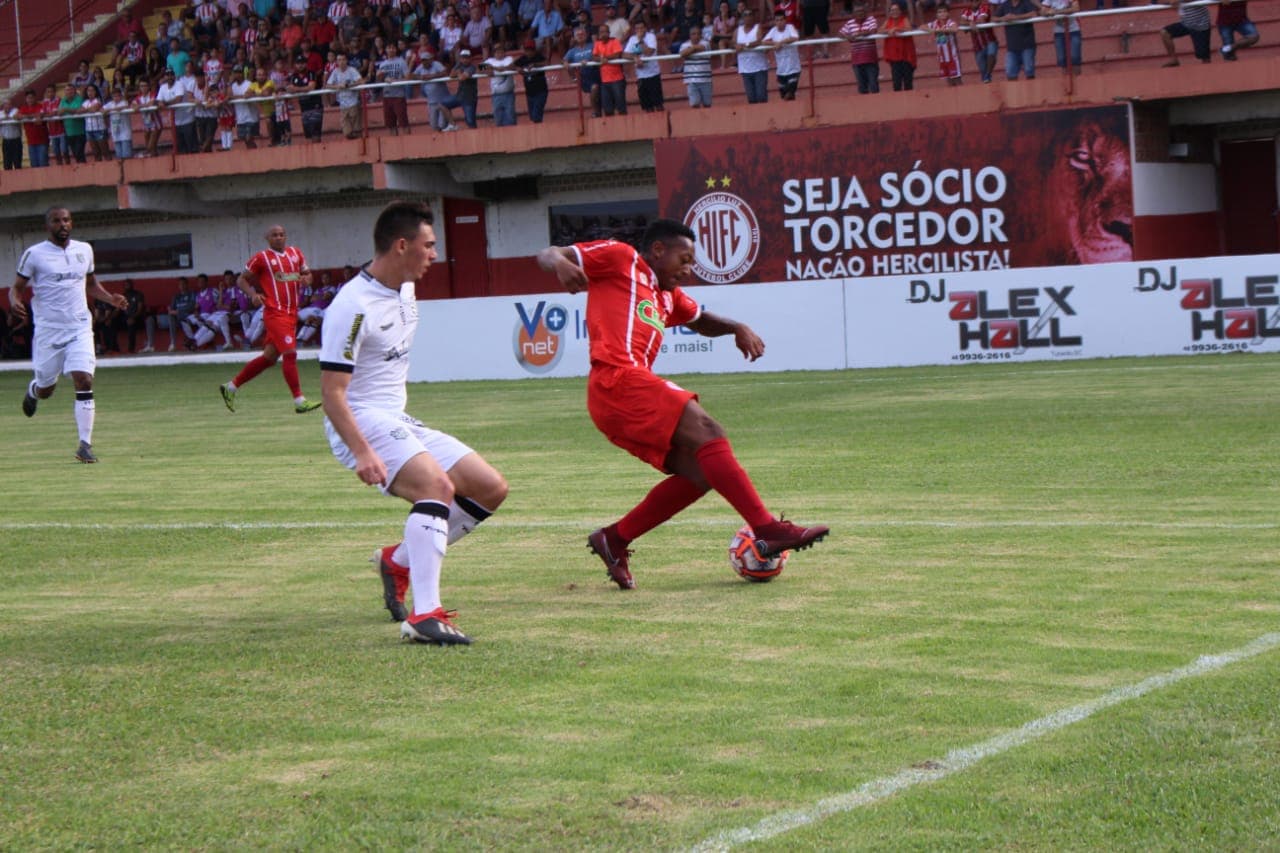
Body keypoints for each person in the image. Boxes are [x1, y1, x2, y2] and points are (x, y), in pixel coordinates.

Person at [536, 219, 829, 590]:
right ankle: (767, 529)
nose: (689, 269)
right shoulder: (622, 259)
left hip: (622, 394)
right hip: (615, 380)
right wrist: (561, 263)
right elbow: (548, 254)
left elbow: (701, 320)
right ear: (658, 250)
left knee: (701, 473)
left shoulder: (666, 295)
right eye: (685, 259)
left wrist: (736, 327)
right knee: (708, 431)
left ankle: (614, 538)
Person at [320, 201, 509, 643]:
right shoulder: (352, 306)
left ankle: (398, 561)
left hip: (393, 416)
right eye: (429, 245)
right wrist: (363, 451)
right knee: (437, 489)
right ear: (402, 245)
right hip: (359, 418)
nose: (434, 254)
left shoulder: (404, 289)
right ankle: (426, 616)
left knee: (489, 487)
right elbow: (332, 395)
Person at [11, 207, 127, 463]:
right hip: (48, 331)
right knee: (46, 389)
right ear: (48, 226)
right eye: (56, 221)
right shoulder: (34, 254)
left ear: (71, 223)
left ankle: (84, 445)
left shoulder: (84, 250)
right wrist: (14, 301)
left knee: (84, 380)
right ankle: (34, 390)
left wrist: (111, 299)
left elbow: (91, 285)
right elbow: (16, 288)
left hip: (79, 327)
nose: (62, 224)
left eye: (66, 220)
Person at [220, 224, 322, 413]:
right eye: (274, 235)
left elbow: (307, 275)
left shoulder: (296, 253)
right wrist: (253, 294)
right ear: (267, 238)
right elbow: (241, 280)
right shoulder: (262, 258)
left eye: (282, 234)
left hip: (291, 313)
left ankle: (230, 387)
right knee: (290, 353)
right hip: (275, 313)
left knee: (269, 358)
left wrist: (307, 279)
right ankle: (299, 400)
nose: (279, 237)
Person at [840, 0, 879, 94]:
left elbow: (873, 31)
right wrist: (848, 36)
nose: (860, 13)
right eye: (857, 12)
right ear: (853, 13)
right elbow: (840, 34)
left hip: (870, 59)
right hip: (857, 60)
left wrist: (858, 35)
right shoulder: (849, 23)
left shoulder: (871, 19)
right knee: (862, 87)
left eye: (862, 11)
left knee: (873, 85)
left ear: (865, 12)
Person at [992, 0, 1038, 79]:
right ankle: (1014, 91)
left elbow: (1034, 14)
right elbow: (993, 18)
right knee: (1010, 72)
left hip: (1027, 44)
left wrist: (1016, 17)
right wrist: (1003, 18)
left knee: (1029, 70)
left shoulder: (1026, 2)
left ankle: (1031, 90)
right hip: (1012, 47)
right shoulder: (1005, 5)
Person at [626, 19, 664, 112]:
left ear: (646, 28)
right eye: (637, 28)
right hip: (641, 77)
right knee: (647, 106)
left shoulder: (651, 36)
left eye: (641, 28)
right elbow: (625, 54)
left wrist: (640, 41)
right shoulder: (632, 39)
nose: (639, 30)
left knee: (658, 104)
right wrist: (635, 58)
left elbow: (649, 52)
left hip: (653, 75)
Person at [1158, 0, 1212, 66]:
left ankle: (1208, 71)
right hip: (1186, 23)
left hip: (1200, 25)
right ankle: (1174, 59)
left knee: (1203, 55)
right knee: (1165, 32)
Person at [564, 26, 601, 117]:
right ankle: (595, 112)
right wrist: (567, 65)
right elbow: (565, 60)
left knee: (596, 89)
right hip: (584, 77)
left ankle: (597, 112)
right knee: (594, 88)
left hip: (595, 72)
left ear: (586, 35)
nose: (580, 36)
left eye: (582, 34)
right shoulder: (572, 51)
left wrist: (590, 61)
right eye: (578, 35)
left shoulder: (593, 45)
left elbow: (600, 56)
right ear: (574, 37)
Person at [735, 8, 769, 103]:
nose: (748, 17)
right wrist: (735, 46)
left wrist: (745, 45)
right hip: (745, 69)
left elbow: (759, 41)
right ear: (743, 18)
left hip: (759, 68)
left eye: (750, 15)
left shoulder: (758, 27)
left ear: (753, 17)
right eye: (746, 15)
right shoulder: (738, 30)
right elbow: (732, 43)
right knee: (751, 98)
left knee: (761, 95)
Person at [326, 52, 364, 138]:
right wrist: (338, 86)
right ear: (337, 62)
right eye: (339, 60)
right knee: (347, 132)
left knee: (356, 130)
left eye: (343, 59)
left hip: (353, 103)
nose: (341, 62)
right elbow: (328, 85)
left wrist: (349, 85)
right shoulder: (335, 72)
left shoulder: (352, 70)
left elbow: (361, 81)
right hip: (342, 105)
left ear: (346, 60)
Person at [593, 24, 628, 115]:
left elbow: (617, 54)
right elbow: (594, 57)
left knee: (621, 107)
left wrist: (605, 58)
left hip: (617, 79)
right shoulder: (597, 43)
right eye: (601, 32)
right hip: (604, 81)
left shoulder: (615, 41)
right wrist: (601, 59)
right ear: (598, 33)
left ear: (609, 33)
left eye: (605, 32)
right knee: (608, 109)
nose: (603, 34)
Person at [884, 0, 918, 90]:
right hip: (894, 57)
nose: (894, 12)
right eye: (892, 10)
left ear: (900, 11)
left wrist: (896, 28)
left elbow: (909, 28)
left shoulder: (904, 19)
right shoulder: (888, 21)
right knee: (896, 83)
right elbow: (880, 30)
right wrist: (889, 30)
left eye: (896, 10)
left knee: (908, 82)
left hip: (906, 56)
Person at [960, 0, 997, 83]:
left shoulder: (984, 8)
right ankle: (987, 80)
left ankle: (988, 75)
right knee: (983, 72)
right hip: (978, 46)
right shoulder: (966, 11)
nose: (974, 1)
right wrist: (970, 23)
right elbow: (961, 22)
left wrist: (971, 23)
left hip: (989, 40)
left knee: (991, 55)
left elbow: (982, 20)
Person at [484, 42, 519, 126]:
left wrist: (496, 68)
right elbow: (478, 69)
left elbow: (512, 66)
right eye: (497, 51)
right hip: (496, 95)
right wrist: (487, 71)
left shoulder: (509, 59)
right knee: (498, 119)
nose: (499, 53)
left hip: (508, 94)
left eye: (501, 50)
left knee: (510, 117)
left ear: (504, 51)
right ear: (494, 53)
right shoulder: (490, 61)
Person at [515, 40, 550, 123]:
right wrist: (517, 68)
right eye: (527, 50)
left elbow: (547, 62)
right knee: (533, 117)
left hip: (540, 91)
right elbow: (511, 65)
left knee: (536, 116)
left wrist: (535, 65)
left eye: (530, 50)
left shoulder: (539, 57)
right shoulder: (490, 61)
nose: (529, 52)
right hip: (529, 93)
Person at [680, 25, 714, 107]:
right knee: (694, 104)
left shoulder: (706, 43)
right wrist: (694, 49)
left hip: (705, 80)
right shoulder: (684, 45)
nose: (696, 36)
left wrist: (691, 49)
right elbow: (682, 54)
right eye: (693, 34)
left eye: (698, 34)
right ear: (690, 35)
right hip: (691, 80)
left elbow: (702, 48)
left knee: (707, 104)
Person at [1040, 0, 1082, 69]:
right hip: (1058, 30)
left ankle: (1077, 79)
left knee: (1075, 58)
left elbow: (1076, 8)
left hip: (1073, 28)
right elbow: (1042, 12)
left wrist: (1056, 12)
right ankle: (1064, 79)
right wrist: (1047, 12)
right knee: (1061, 59)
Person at [928, 3, 962, 84]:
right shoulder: (935, 24)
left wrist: (942, 30)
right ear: (936, 14)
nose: (942, 14)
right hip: (942, 58)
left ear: (948, 13)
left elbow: (955, 29)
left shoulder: (950, 22)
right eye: (940, 12)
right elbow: (921, 26)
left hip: (952, 58)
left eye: (944, 11)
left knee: (957, 80)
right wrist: (931, 30)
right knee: (949, 81)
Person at [120, 278, 156, 353]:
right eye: (126, 285)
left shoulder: (138, 294)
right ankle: (112, 348)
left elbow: (140, 309)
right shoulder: (123, 296)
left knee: (132, 324)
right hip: (125, 317)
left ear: (132, 285)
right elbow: (120, 309)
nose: (127, 286)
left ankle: (131, 349)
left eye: (129, 284)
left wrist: (133, 317)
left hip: (137, 317)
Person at [1, 96, 22, 169]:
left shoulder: (16, 110)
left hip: (16, 140)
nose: (7, 106)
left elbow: (18, 117)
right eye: (6, 104)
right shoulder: (0, 113)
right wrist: (6, 118)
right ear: (3, 105)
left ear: (11, 105)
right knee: (7, 163)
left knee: (17, 163)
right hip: (6, 141)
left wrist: (6, 118)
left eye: (9, 104)